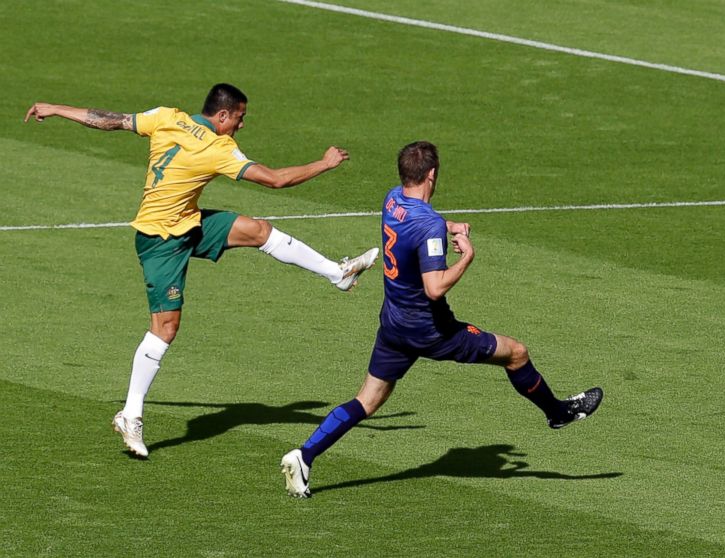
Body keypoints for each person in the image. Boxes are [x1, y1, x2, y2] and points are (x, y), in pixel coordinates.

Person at [24, 83, 379, 458]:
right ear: (223, 116)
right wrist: (324, 163)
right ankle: (130, 414)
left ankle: (336, 274)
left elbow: (110, 121)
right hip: (160, 241)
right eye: (239, 118)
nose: (241, 126)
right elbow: (276, 179)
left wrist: (55, 107)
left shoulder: (167, 117)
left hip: (188, 223)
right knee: (166, 328)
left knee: (258, 230)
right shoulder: (217, 148)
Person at [280, 141, 602, 498]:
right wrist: (466, 257)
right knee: (516, 353)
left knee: (367, 402)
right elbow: (434, 288)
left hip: (393, 324)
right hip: (430, 330)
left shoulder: (392, 199)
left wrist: (449, 227)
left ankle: (304, 455)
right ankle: (558, 413)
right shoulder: (428, 224)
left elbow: (417, 226)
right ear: (432, 175)